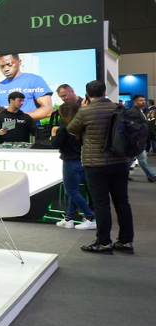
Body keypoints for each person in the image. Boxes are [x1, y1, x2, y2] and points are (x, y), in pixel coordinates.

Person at [67, 80, 134, 254]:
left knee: (101, 203)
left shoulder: (85, 111)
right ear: (105, 92)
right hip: (120, 162)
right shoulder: (119, 108)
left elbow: (72, 129)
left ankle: (104, 242)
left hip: (96, 163)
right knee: (122, 202)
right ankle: (126, 241)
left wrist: (83, 108)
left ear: (88, 94)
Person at [50, 95, 95, 229]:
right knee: (74, 190)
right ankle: (69, 218)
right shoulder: (82, 127)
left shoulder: (64, 129)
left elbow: (55, 144)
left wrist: (53, 133)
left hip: (70, 162)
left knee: (71, 191)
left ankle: (89, 217)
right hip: (81, 161)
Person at [0, 54, 53, 122]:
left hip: (28, 128)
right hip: (4, 129)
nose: (6, 69)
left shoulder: (34, 80)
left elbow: (48, 110)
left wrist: (17, 117)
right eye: (2, 66)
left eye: (9, 65)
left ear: (19, 62)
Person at [129, 95, 156, 182]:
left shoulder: (140, 111)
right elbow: (133, 126)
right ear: (135, 102)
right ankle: (151, 175)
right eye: (141, 100)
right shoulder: (133, 112)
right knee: (141, 158)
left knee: (132, 158)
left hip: (140, 139)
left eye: (144, 100)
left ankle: (122, 173)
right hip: (137, 140)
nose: (143, 102)